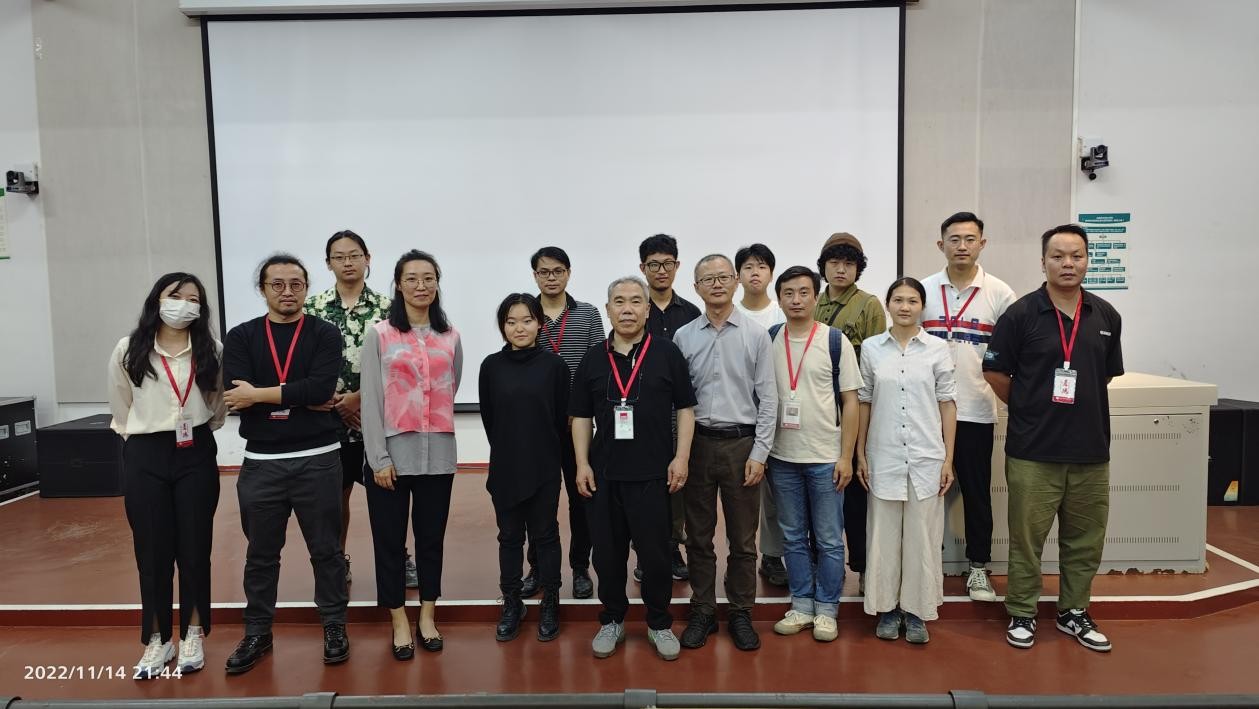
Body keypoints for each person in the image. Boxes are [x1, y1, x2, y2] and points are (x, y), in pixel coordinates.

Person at [983, 224, 1123, 653]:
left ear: (1087, 261)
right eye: (1058, 256)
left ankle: (1073, 611)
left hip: (1090, 451)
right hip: (1033, 451)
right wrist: (1028, 407)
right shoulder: (1021, 314)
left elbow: (1104, 376)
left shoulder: (1106, 315)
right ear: (1042, 261)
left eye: (1076, 256)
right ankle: (1022, 611)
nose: (1068, 264)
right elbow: (994, 372)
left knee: (1085, 540)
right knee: (1027, 540)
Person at [222, 254, 348, 673]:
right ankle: (257, 632)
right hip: (262, 463)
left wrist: (258, 394)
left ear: (307, 287)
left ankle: (334, 626)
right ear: (262, 289)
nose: (287, 292)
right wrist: (298, 395)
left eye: (296, 284)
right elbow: (234, 395)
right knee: (260, 555)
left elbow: (320, 389)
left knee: (327, 551)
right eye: (277, 284)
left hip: (319, 459)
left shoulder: (324, 333)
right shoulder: (241, 336)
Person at [571, 276, 697, 662]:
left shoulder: (667, 353)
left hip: (654, 475)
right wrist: (582, 463)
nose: (627, 309)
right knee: (607, 556)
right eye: (619, 301)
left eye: (635, 301)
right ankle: (612, 619)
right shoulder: (593, 358)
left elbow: (685, 409)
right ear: (608, 309)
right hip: (605, 475)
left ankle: (659, 623)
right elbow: (580, 416)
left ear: (647, 309)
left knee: (656, 557)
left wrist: (681, 457)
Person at [108, 272, 226, 678]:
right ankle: (157, 640)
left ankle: (193, 632)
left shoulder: (211, 349)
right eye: (176, 295)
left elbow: (216, 403)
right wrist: (145, 434)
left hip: (195, 452)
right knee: (152, 552)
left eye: (194, 299)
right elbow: (120, 404)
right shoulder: (129, 348)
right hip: (145, 452)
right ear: (157, 300)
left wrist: (196, 429)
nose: (184, 304)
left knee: (195, 548)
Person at [360, 250, 463, 659]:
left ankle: (427, 615)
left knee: (431, 539)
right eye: (412, 278)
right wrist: (378, 458)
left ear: (437, 283)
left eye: (429, 278)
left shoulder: (450, 335)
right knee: (389, 541)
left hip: (438, 454)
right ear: (398, 284)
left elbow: (451, 386)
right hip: (391, 456)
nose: (421, 286)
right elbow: (370, 399)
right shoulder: (380, 334)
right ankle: (399, 619)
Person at [673, 255, 777, 652]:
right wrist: (680, 453)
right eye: (707, 279)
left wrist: (760, 453)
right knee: (698, 537)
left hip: (741, 446)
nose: (716, 284)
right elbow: (677, 403)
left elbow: (769, 399)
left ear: (735, 282)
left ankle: (740, 612)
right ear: (696, 288)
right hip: (697, 445)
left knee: (743, 540)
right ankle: (702, 610)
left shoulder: (756, 335)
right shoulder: (684, 337)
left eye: (723, 277)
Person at [919, 212, 1016, 602]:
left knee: (977, 493)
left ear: (982, 244)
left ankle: (978, 568)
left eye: (970, 239)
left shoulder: (1000, 293)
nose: (962, 246)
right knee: (926, 494)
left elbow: (1011, 356)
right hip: (926, 412)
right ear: (940, 244)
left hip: (975, 411)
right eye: (954, 239)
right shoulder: (923, 290)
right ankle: (926, 565)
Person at [857, 277, 957, 645]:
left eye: (912, 300)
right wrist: (860, 453)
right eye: (898, 299)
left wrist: (948, 459)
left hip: (926, 456)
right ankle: (886, 609)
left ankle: (916, 611)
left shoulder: (937, 349)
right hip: (882, 455)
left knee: (922, 538)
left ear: (921, 306)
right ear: (888, 304)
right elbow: (864, 401)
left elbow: (947, 403)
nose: (904, 307)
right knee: (882, 536)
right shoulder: (872, 348)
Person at [764, 266, 861, 643]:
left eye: (804, 292)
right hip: (782, 458)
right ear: (779, 298)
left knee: (829, 539)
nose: (796, 300)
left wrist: (846, 456)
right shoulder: (771, 339)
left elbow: (850, 402)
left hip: (825, 458)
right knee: (792, 537)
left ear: (816, 297)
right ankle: (802, 604)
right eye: (788, 293)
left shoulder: (835, 341)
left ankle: (827, 608)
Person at [303, 230, 404, 588]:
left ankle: (398, 558)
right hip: (326, 421)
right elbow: (303, 364)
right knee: (334, 500)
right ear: (328, 263)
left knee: (389, 496)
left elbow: (399, 363)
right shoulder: (312, 308)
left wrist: (359, 398)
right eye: (339, 256)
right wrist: (337, 402)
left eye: (354, 255)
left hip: (378, 420)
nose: (347, 262)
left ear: (367, 258)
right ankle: (337, 562)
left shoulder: (389, 309)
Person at [479, 293, 570, 642]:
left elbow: (561, 420)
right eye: (511, 321)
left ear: (540, 324)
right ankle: (512, 603)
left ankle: (550, 602)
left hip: (544, 466)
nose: (520, 328)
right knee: (509, 538)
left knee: (546, 535)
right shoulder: (491, 366)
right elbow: (489, 418)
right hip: (505, 467)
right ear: (503, 327)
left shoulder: (555, 367)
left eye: (527, 320)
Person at [519, 246, 606, 601]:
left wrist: (583, 410)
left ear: (568, 273)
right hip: (538, 425)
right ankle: (538, 567)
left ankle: (580, 567)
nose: (551, 277)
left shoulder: (587, 314)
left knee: (581, 497)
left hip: (578, 423)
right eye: (544, 272)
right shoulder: (526, 314)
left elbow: (599, 364)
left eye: (558, 271)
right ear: (535, 276)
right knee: (538, 500)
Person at [814, 231, 886, 594]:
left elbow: (876, 363)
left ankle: (862, 566)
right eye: (834, 262)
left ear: (858, 268)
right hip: (815, 412)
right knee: (818, 491)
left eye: (849, 263)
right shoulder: (811, 301)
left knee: (856, 495)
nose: (841, 269)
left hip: (853, 409)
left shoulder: (869, 305)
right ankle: (823, 566)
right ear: (823, 266)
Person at [638, 233, 700, 582]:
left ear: (677, 266)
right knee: (643, 487)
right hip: (639, 414)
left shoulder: (691, 313)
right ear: (642, 268)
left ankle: (673, 548)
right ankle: (645, 553)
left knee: (677, 487)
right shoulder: (634, 309)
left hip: (679, 414)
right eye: (653, 264)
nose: (661, 270)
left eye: (667, 263)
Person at [734, 243, 789, 587]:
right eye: (748, 267)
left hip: (777, 412)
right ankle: (739, 557)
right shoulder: (731, 314)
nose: (755, 273)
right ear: (737, 275)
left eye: (762, 266)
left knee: (774, 491)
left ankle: (771, 554)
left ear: (771, 274)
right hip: (738, 417)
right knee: (737, 496)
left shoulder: (782, 315)